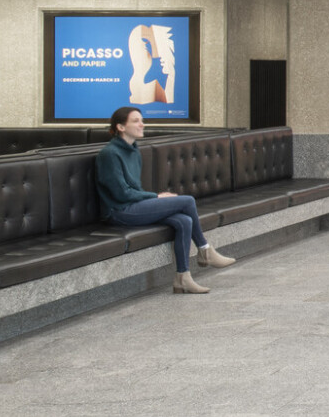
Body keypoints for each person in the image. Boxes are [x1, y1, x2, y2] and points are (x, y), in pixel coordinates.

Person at [96, 106, 234, 293]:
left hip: (134, 205)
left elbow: (134, 189)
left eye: (141, 120)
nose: (142, 124)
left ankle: (182, 279)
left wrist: (153, 198)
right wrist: (156, 197)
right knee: (187, 201)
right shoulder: (109, 154)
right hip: (118, 211)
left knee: (184, 221)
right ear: (121, 127)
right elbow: (121, 194)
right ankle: (205, 250)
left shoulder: (134, 151)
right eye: (136, 121)